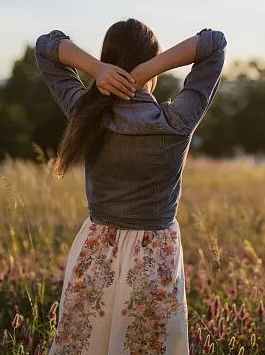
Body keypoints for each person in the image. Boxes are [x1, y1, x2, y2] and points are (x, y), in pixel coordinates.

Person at [35, 19, 227, 355]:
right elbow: (214, 44)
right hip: (153, 259)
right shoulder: (174, 121)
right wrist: (149, 69)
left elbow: (46, 46)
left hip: (95, 252)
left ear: (108, 59)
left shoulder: (86, 113)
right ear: (151, 63)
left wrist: (97, 69)